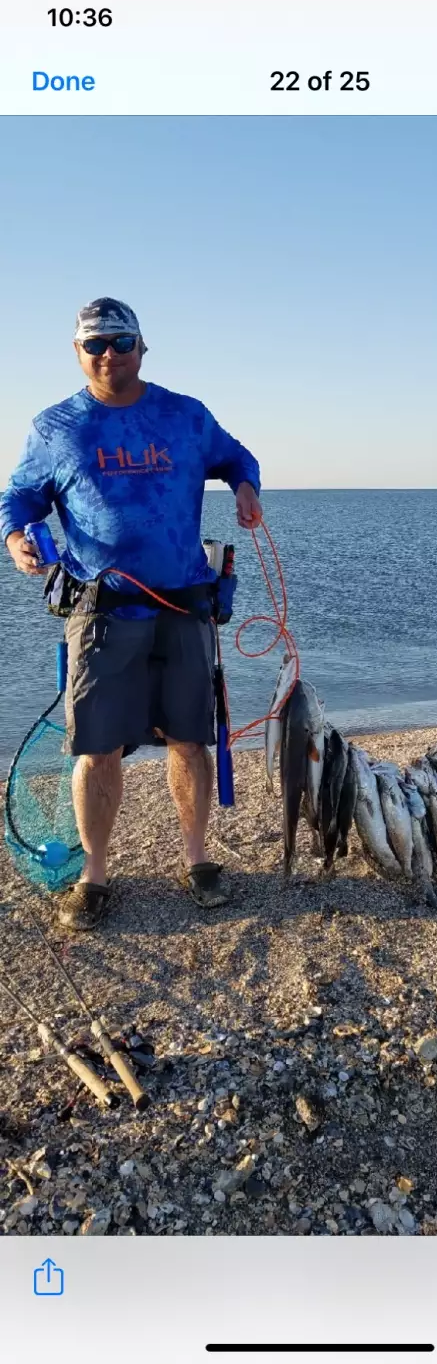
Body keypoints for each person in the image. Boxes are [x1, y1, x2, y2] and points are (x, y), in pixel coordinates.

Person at [0, 297, 262, 930]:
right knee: (96, 748)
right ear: (77, 352)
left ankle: (198, 860)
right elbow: (19, 497)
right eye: (95, 344)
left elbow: (236, 458)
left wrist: (247, 486)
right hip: (101, 612)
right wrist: (15, 538)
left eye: (120, 341)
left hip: (184, 605)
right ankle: (94, 874)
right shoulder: (56, 426)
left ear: (143, 347)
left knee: (190, 739)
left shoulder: (184, 415)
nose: (109, 355)